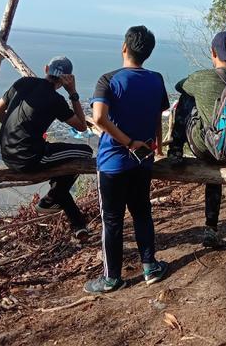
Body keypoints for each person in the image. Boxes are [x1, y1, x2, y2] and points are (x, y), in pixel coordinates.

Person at [84, 26, 169, 294]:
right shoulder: (156, 79)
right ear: (148, 53)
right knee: (142, 212)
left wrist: (128, 142)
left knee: (112, 220)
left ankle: (112, 278)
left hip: (113, 162)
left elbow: (99, 118)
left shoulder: (108, 79)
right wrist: (156, 146)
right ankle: (150, 267)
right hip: (143, 161)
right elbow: (158, 114)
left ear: (124, 47)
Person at [167, 31, 226, 248]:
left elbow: (180, 86)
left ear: (213, 52)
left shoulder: (203, 77)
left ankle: (175, 151)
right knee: (215, 146)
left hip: (208, 150)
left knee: (186, 98)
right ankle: (211, 228)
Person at [0, 56, 93, 240]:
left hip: (6, 154)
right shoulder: (55, 99)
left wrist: (17, 131)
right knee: (85, 153)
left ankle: (78, 224)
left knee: (60, 175)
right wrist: (73, 92)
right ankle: (51, 199)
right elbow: (82, 126)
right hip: (30, 157)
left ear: (46, 68)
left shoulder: (22, 82)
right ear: (67, 78)